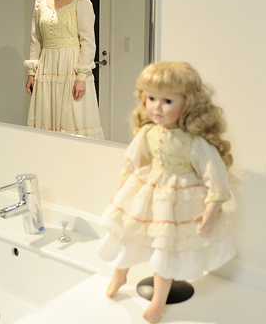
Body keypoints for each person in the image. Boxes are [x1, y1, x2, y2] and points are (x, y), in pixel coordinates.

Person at [98, 62, 236, 323]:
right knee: (127, 233)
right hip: (147, 192)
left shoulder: (194, 142)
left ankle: (159, 301)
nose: (156, 108)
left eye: (167, 101)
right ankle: (119, 274)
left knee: (166, 249)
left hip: (179, 200)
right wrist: (120, 194)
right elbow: (132, 164)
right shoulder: (148, 132)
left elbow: (215, 174)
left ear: (189, 103)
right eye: (151, 98)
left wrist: (211, 210)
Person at [24, 0, 104, 139]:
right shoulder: (41, 2)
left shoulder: (82, 1)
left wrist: (81, 76)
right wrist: (32, 72)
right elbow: (36, 39)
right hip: (47, 68)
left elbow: (88, 41)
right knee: (47, 122)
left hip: (72, 69)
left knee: (73, 122)